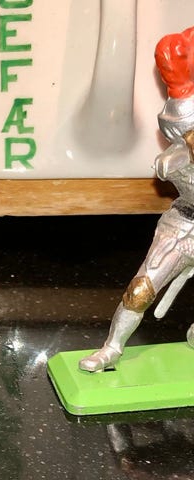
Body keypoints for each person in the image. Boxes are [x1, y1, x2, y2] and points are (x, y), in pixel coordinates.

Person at [79, 26, 194, 372]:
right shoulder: (176, 158)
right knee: (141, 290)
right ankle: (111, 349)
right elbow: (171, 161)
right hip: (184, 226)